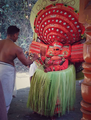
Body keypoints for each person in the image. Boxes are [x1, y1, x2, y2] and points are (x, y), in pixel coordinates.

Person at [0, 25, 39, 113]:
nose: (17, 37)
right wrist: (34, 58)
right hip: (6, 73)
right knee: (5, 95)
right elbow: (26, 63)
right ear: (14, 35)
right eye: (17, 35)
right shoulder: (17, 48)